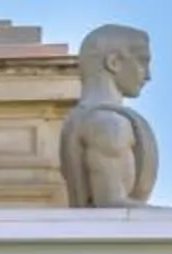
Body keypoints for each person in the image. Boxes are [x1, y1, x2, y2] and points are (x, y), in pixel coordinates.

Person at [59, 25, 160, 210]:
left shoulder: (87, 119)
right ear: (114, 62)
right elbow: (111, 205)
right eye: (142, 62)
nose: (148, 75)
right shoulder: (108, 124)